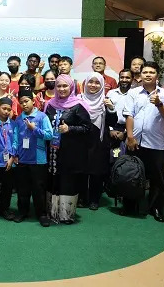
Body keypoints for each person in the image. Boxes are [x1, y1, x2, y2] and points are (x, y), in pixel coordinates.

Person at [124, 61, 164, 222]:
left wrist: (159, 104)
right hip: (135, 142)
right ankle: (130, 206)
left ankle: (155, 208)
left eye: (151, 72)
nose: (147, 75)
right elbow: (129, 115)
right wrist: (130, 137)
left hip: (156, 144)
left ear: (157, 75)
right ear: (140, 75)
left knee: (157, 180)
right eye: (144, 72)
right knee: (132, 176)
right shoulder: (133, 93)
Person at [43, 74, 91, 224]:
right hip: (51, 151)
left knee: (68, 180)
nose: (62, 89)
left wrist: (69, 128)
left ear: (71, 87)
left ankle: (66, 215)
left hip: (70, 151)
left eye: (65, 86)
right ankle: (52, 212)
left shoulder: (78, 105)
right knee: (52, 178)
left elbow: (87, 128)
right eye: (59, 86)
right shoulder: (49, 104)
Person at [12, 86, 53, 226]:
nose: (24, 104)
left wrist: (34, 129)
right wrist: (15, 154)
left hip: (38, 160)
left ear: (33, 101)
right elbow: (16, 139)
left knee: (39, 189)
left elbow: (49, 135)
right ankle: (23, 212)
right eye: (21, 102)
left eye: (27, 101)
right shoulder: (18, 120)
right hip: (22, 159)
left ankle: (42, 214)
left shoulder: (42, 116)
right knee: (23, 189)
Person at [80, 73, 118, 210]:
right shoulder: (79, 99)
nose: (93, 85)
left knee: (96, 171)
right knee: (82, 170)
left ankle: (94, 199)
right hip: (82, 140)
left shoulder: (105, 101)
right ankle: (82, 198)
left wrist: (111, 109)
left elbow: (112, 122)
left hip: (99, 141)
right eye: (90, 82)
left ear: (102, 85)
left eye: (97, 83)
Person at [106, 69, 133, 150]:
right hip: (112, 130)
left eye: (127, 78)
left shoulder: (135, 94)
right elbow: (106, 113)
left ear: (132, 79)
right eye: (122, 77)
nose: (124, 80)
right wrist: (110, 130)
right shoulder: (111, 93)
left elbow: (136, 116)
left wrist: (125, 133)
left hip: (128, 131)